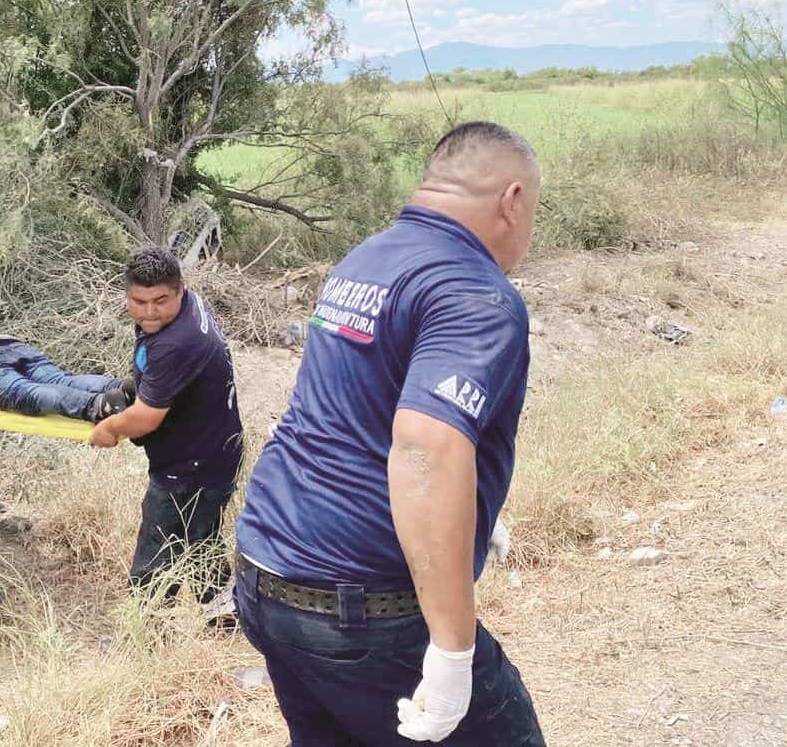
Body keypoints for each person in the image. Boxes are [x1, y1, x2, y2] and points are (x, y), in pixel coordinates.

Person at [234, 121, 546, 746]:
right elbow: (425, 447)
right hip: (362, 611)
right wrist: (454, 654)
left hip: (265, 574)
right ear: (511, 200)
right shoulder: (476, 293)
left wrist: (472, 511)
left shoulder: (367, 257)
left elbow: (353, 412)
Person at [89, 246, 242, 602]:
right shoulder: (185, 309)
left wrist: (108, 429)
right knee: (202, 539)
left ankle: (148, 630)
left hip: (191, 466)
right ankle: (220, 615)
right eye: (138, 301)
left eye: (160, 301)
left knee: (155, 555)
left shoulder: (178, 341)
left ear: (180, 289)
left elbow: (145, 419)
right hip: (215, 448)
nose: (149, 312)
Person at [0, 323, 130, 422]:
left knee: (26, 392)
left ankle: (97, 406)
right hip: (4, 342)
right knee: (60, 380)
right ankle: (123, 388)